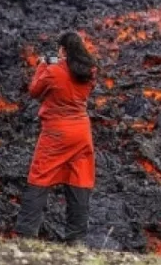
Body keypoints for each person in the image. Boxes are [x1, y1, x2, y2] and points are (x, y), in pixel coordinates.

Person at [14, 31, 99, 243]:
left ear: (62, 50)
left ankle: (26, 232)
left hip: (56, 132)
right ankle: (76, 238)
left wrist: (43, 65)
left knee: (40, 176)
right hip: (81, 132)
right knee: (80, 179)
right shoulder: (90, 71)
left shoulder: (53, 71)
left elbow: (34, 91)